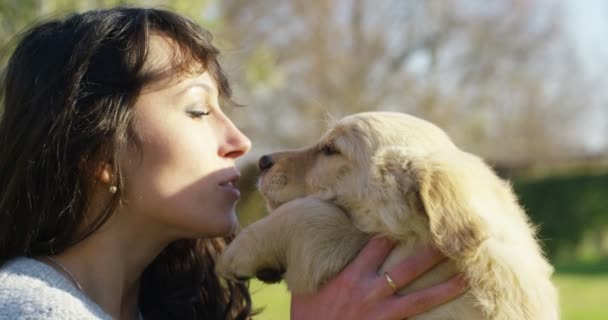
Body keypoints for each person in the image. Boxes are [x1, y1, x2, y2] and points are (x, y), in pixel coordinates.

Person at [0, 6, 466, 320]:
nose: (240, 142)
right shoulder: (26, 308)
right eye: (198, 110)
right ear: (99, 154)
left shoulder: (166, 306)